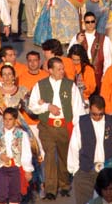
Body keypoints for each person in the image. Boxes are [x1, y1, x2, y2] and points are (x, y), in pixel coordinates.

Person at [28, 57, 84, 200]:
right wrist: (47, 106)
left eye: (63, 68)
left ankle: (64, 185)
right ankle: (50, 189)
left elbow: (78, 108)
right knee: (50, 155)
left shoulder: (70, 85)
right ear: (50, 70)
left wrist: (77, 127)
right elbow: (32, 105)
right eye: (58, 69)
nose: (62, 71)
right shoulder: (40, 85)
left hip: (65, 125)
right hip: (47, 126)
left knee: (64, 155)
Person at [67, 95, 112, 204]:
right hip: (86, 171)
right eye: (94, 114)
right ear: (89, 109)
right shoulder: (81, 123)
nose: (97, 117)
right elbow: (74, 147)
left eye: (100, 114)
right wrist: (75, 171)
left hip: (108, 170)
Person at [0, 107, 34, 204]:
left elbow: (26, 153)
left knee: (15, 195)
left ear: (15, 120)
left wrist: (27, 170)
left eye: (10, 119)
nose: (7, 122)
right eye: (5, 119)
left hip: (16, 168)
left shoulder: (22, 134)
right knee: (1, 194)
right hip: (1, 168)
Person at [69, 11, 112, 88]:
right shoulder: (77, 37)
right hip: (80, 74)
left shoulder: (105, 39)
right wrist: (77, 41)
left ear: (95, 22)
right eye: (88, 22)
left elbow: (107, 60)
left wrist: (105, 76)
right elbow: (69, 53)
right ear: (84, 23)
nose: (90, 24)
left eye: (92, 21)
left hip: (98, 76)